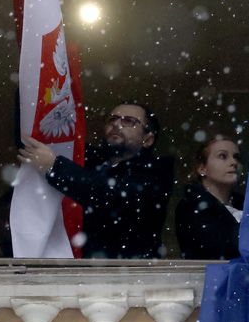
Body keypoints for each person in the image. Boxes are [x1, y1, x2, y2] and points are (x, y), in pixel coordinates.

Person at [18, 102, 173, 259]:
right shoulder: (89, 159)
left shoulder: (157, 172)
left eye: (128, 121)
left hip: (130, 274)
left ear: (147, 139)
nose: (117, 124)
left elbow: (114, 197)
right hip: (79, 268)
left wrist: (55, 167)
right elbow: (32, 141)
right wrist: (29, 86)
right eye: (112, 119)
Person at [175, 135, 243, 260]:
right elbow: (216, 248)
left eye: (236, 157)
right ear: (202, 168)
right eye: (223, 156)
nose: (234, 163)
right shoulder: (191, 206)